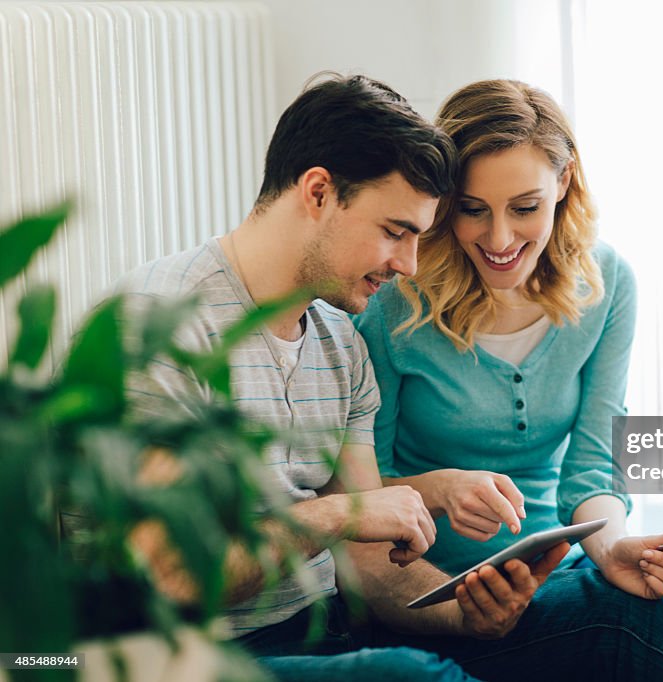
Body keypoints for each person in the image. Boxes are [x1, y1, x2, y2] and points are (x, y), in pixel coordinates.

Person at [356, 79, 663, 681]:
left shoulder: (607, 281)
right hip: (446, 597)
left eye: (525, 207)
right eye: (472, 210)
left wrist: (611, 549)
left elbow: (591, 466)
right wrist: (442, 486)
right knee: (656, 626)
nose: (499, 240)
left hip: (562, 565)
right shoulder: (393, 302)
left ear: (564, 181)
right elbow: (363, 494)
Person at [115, 73, 570, 682]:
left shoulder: (339, 344)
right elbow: (173, 577)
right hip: (194, 658)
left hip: (327, 633)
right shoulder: (161, 328)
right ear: (320, 192)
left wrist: (468, 615)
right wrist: (337, 515)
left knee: (615, 620)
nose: (408, 266)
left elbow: (371, 567)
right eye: (395, 232)